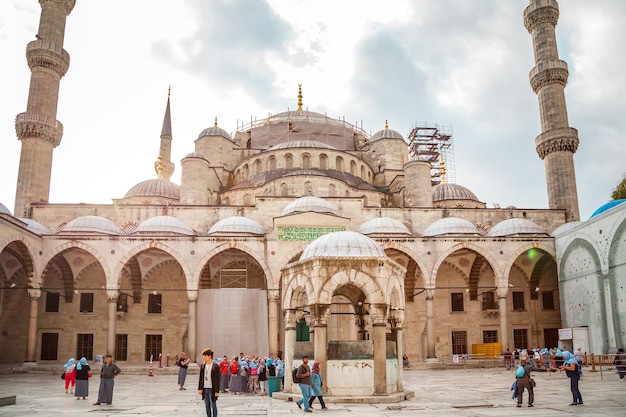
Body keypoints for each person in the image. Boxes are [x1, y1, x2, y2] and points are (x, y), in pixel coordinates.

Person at [198, 348, 220, 417]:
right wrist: (200, 388)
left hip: (212, 389)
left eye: (205, 356)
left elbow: (217, 379)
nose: (203, 357)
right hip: (205, 389)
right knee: (207, 406)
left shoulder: (215, 366)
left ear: (210, 356)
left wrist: (217, 391)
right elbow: (201, 378)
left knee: (213, 405)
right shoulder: (203, 366)